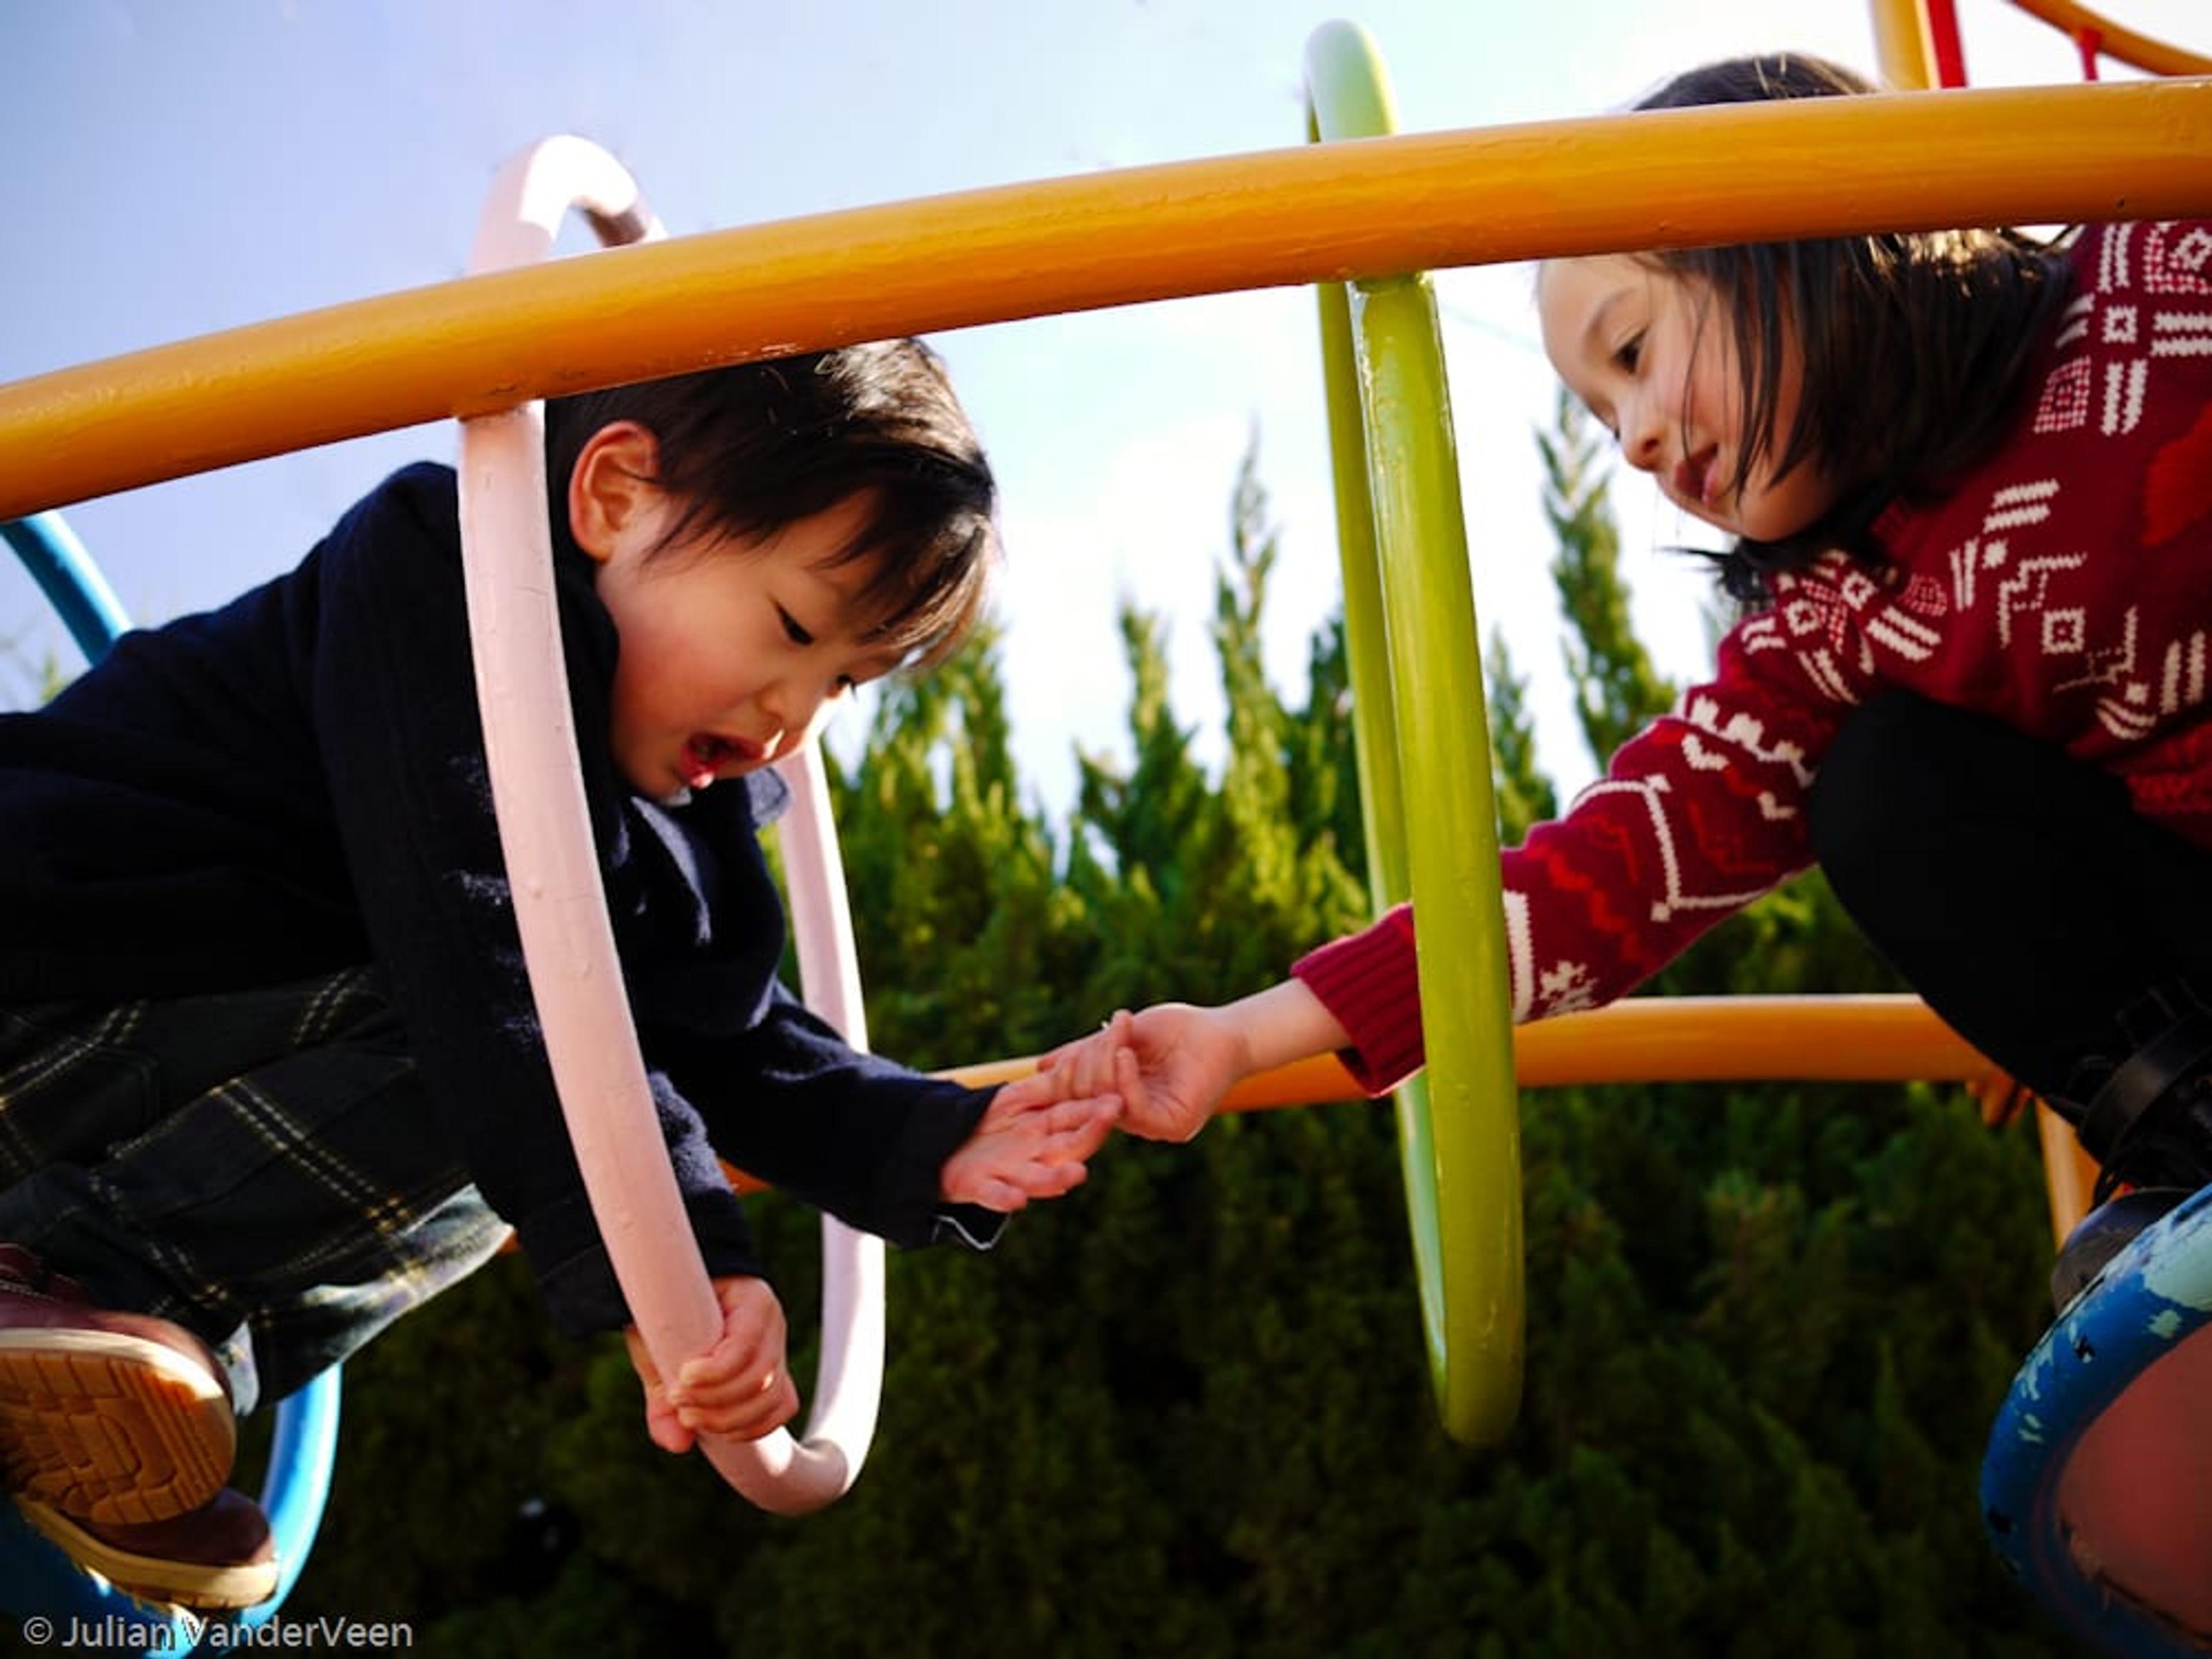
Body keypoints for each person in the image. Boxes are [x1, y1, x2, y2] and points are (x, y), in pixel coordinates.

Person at [1047, 54, 2212, 1290]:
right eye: (1607, 422)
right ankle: (2190, 1134)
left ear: (1801, 219)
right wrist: (1241, 1035)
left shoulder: (2156, 256)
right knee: (1886, 787)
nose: (1639, 439)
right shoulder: (1836, 630)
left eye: (1637, 349)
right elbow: (1594, 881)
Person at [0, 340, 1121, 1609]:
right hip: (48, 978)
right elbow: (485, 949)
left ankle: (101, 1382)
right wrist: (677, 1255)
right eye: (794, 628)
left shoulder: (679, 805)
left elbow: (728, 1036)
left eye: (843, 682)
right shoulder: (447, 578)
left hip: (122, 1092)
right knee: (545, 1078)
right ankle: (82, 1289)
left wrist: (929, 1133)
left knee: (555, 1119)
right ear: (614, 495)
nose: (792, 716)